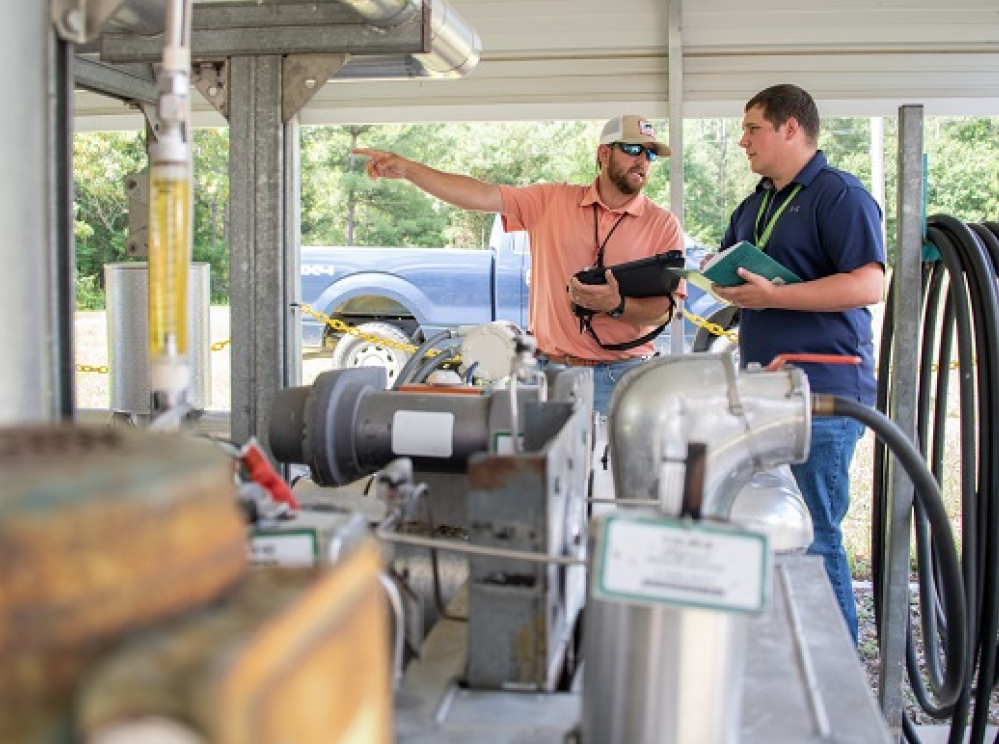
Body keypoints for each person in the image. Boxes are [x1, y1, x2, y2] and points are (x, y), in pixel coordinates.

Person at [352, 115, 685, 415]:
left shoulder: (663, 225)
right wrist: (409, 170)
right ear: (604, 154)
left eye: (650, 154)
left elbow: (665, 311)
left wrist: (618, 305)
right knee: (542, 479)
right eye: (632, 149)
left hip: (623, 378)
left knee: (614, 482)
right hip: (550, 375)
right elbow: (479, 195)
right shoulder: (551, 201)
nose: (643, 160)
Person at [710, 84, 885, 643]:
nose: (743, 141)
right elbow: (733, 272)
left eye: (752, 128)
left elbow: (867, 283)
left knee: (816, 532)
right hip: (765, 391)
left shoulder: (840, 195)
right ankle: (787, 646)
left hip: (824, 394)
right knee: (771, 522)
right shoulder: (755, 203)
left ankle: (838, 668)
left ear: (791, 127)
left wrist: (775, 297)